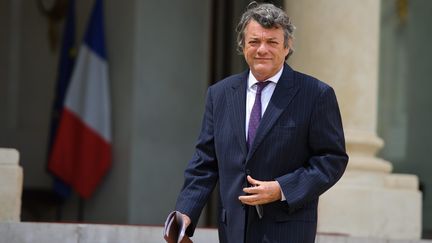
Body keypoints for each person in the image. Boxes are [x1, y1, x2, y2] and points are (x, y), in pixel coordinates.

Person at [170, 2, 348, 243]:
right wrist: (185, 213)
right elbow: (205, 161)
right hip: (234, 231)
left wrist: (282, 189)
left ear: (287, 47)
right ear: (243, 46)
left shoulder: (316, 94)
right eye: (254, 41)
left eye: (272, 42)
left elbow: (331, 160)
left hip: (286, 231)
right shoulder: (220, 94)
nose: (262, 49)